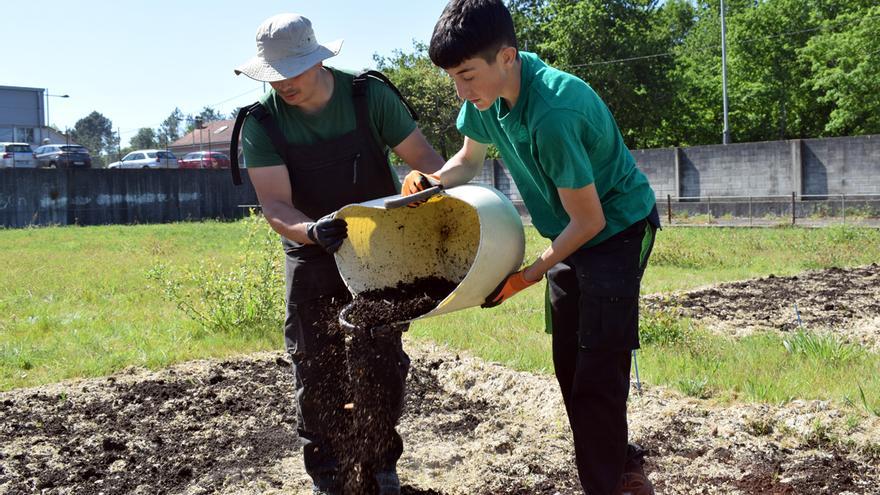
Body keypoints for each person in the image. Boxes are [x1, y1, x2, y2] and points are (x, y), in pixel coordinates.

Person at [402, 1, 661, 493]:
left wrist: (526, 275)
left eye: (467, 76)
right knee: (569, 366)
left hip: (616, 230)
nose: (461, 91)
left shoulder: (554, 112)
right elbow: (466, 159)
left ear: (507, 56)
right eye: (453, 79)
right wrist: (434, 180)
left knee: (598, 371)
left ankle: (609, 483)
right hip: (572, 234)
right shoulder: (487, 96)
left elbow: (591, 220)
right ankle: (622, 461)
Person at [231, 13, 444, 495]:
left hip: (378, 250)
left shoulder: (369, 97)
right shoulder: (261, 123)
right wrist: (310, 230)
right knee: (315, 364)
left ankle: (379, 465)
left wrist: (431, 186)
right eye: (273, 74)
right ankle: (328, 475)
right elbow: (276, 205)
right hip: (310, 250)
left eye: (292, 71)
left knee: (380, 359)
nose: (282, 83)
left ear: (319, 60)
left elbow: (428, 162)